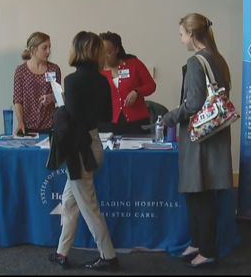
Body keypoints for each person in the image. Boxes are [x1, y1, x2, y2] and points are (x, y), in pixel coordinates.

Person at [162, 13, 234, 268]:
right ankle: (197, 241)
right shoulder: (218, 59)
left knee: (200, 194)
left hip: (199, 139)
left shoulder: (196, 62)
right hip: (214, 136)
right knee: (199, 193)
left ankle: (207, 249)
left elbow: (192, 104)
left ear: (192, 34)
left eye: (182, 34)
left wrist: (169, 117)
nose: (181, 40)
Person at [48, 31, 118, 271]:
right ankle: (62, 253)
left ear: (77, 50)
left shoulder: (71, 80)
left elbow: (73, 119)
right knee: (70, 202)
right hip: (94, 144)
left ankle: (108, 256)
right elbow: (107, 116)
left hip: (79, 150)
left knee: (89, 207)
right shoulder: (102, 80)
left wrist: (63, 107)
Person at [99, 32, 156, 135]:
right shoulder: (98, 71)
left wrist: (137, 92)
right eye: (101, 52)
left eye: (108, 52)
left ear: (117, 49)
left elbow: (151, 85)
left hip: (136, 122)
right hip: (108, 123)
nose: (105, 56)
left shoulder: (134, 64)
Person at [13, 32, 61, 134]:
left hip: (51, 127)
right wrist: (20, 122)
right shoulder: (21, 71)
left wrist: (51, 98)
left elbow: (60, 99)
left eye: (49, 47)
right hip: (28, 128)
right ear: (33, 50)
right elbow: (18, 100)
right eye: (44, 48)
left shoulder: (54, 69)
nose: (48, 51)